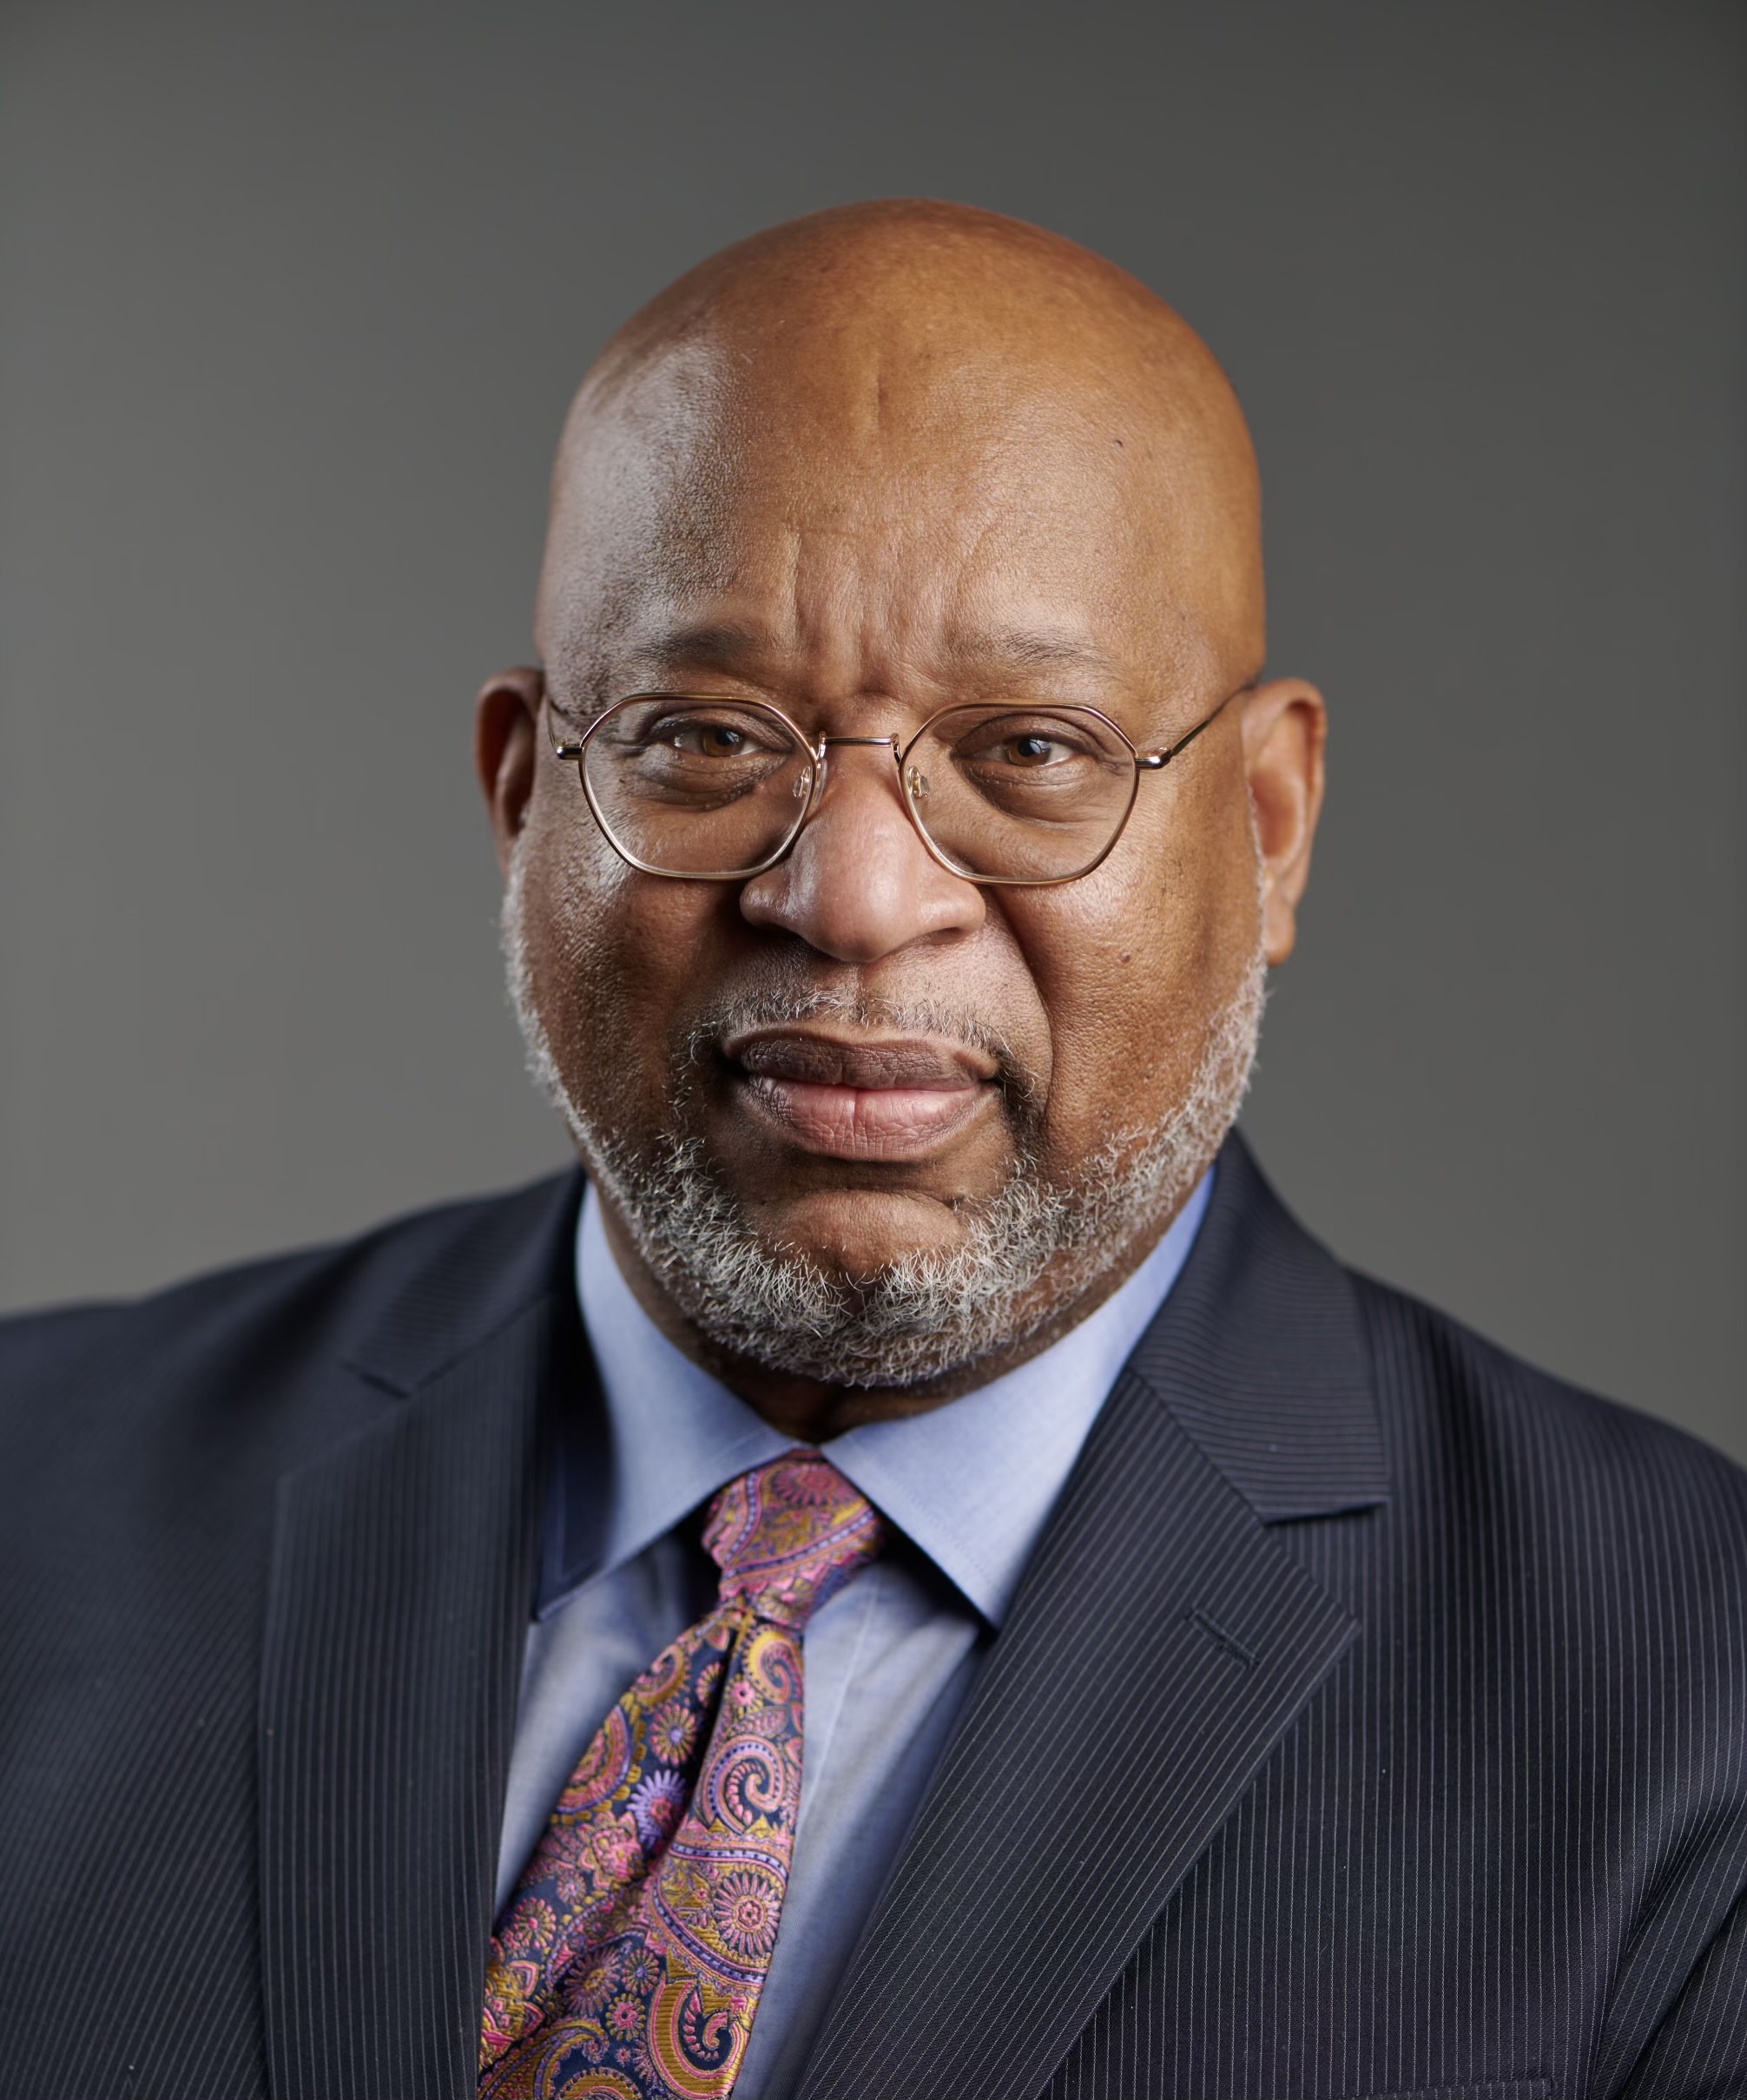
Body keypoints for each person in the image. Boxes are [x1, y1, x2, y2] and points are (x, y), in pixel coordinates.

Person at [0, 200, 1742, 2100]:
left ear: (1266, 825)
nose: (848, 897)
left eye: (1029, 752)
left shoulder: (1685, 1711)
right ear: (521, 795)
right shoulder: (40, 1497)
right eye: (705, 735)